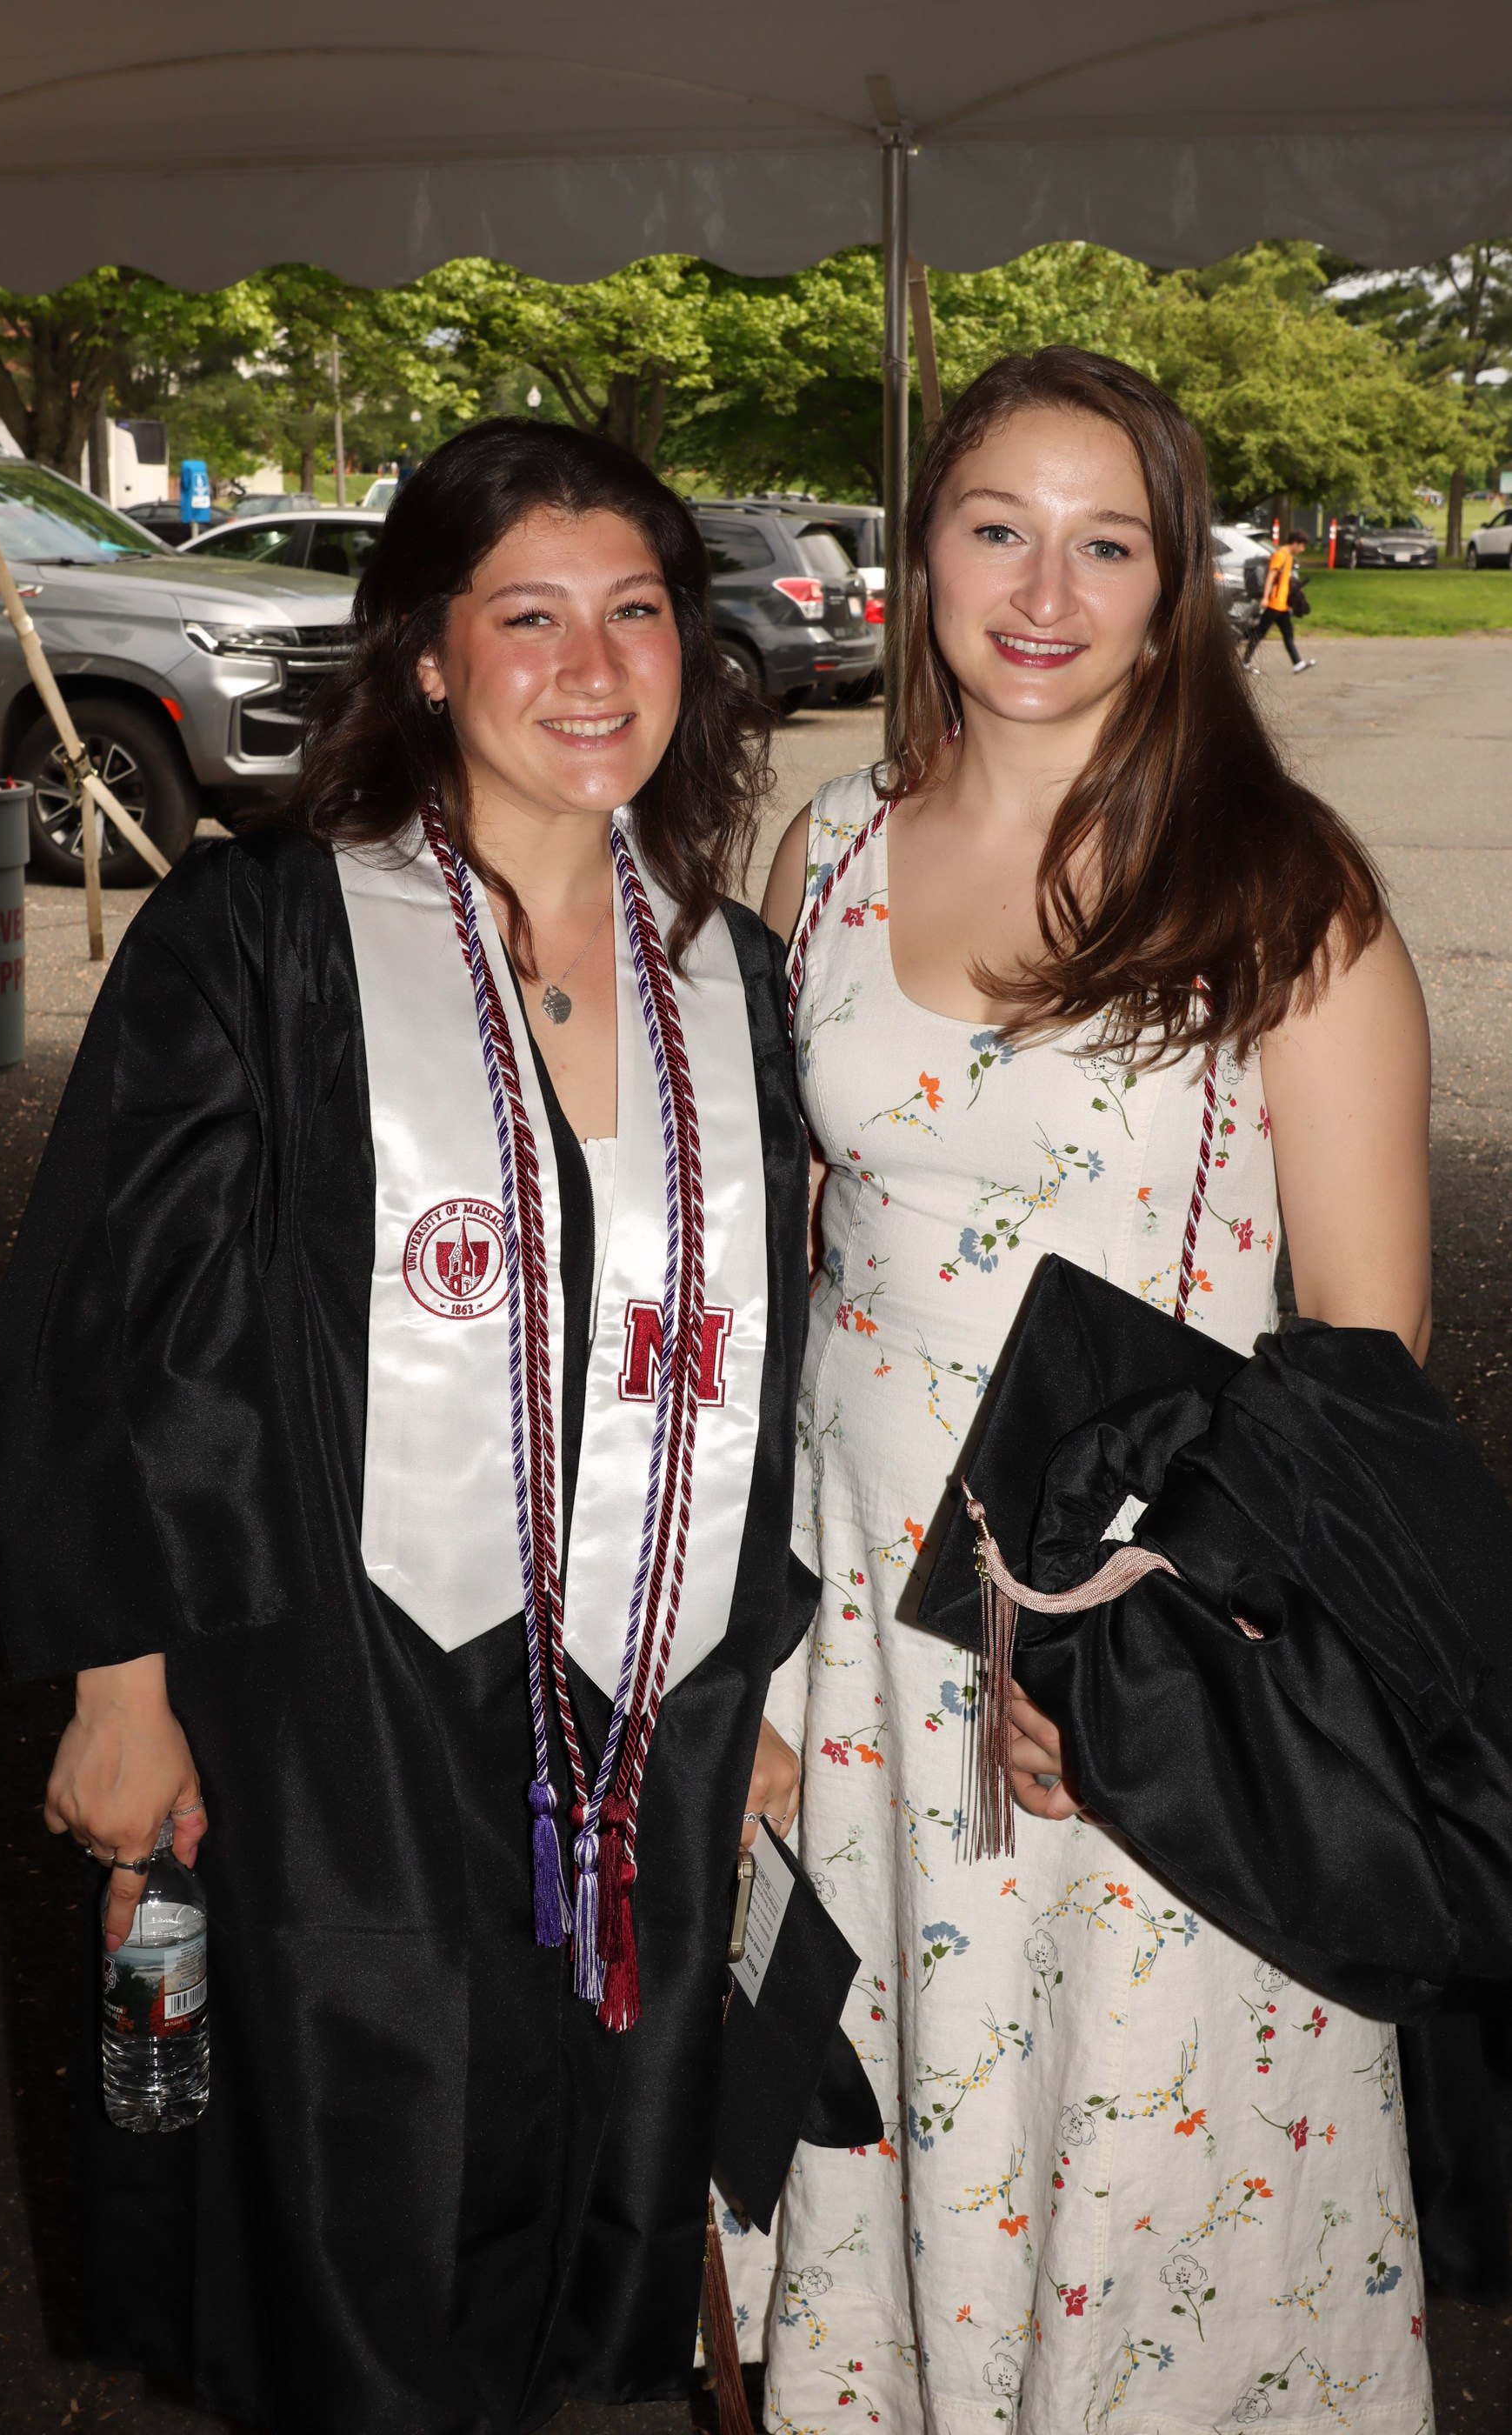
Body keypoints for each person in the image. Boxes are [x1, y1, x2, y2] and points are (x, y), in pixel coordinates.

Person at [0, 419, 818, 2435]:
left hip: (643, 1709)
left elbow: (774, 1357)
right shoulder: (265, 936)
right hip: (337, 1700)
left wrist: (757, 1671)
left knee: (581, 2207)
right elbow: (120, 1324)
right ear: (427, 657)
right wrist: (120, 1683)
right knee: (359, 2210)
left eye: (636, 611)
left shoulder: (733, 974)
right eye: (527, 617)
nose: (593, 667)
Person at [736, 350, 1432, 2428]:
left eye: (1104, 543)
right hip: (857, 1651)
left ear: (1173, 584)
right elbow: (786, 1267)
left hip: (1138, 1652)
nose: (1043, 592)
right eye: (996, 529)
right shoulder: (824, 852)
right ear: (924, 551)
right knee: (880, 2123)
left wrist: (1144, 1650)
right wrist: (733, 1655)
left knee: (1135, 2171)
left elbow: (1363, 1359)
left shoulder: (1278, 894)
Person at [1243, 524, 1316, 672]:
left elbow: (1285, 579)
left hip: (1282, 605)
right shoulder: (1280, 555)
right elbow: (1271, 576)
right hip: (1274, 603)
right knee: (1259, 633)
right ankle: (1245, 662)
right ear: (1295, 542)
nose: (1302, 550)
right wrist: (1265, 597)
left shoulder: (1288, 557)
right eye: (1302, 546)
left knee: (1288, 633)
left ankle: (1297, 663)